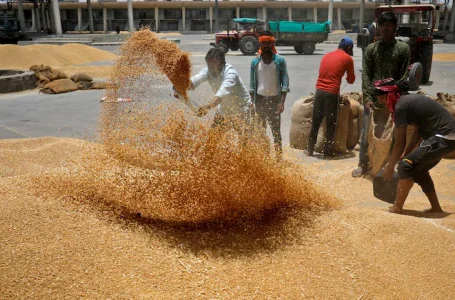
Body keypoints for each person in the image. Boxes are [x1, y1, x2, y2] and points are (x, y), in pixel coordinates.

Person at [373, 78, 455, 214]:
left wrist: (390, 167)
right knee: (417, 168)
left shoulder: (401, 106)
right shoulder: (406, 102)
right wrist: (407, 153)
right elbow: (418, 131)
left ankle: (397, 207)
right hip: (446, 136)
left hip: (445, 136)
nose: (380, 101)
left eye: (382, 97)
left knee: (406, 165)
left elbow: (399, 142)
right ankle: (436, 208)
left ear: (391, 94)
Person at [352, 11, 411, 177]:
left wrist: (394, 99)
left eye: (389, 25)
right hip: (373, 102)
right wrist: (368, 98)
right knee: (366, 135)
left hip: (394, 102)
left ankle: (387, 167)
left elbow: (403, 77)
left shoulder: (402, 49)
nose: (385, 28)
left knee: (392, 137)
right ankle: (363, 165)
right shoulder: (371, 49)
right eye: (382, 25)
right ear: (378, 27)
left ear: (394, 27)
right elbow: (366, 75)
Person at [178, 47, 251, 133]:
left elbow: (221, 95)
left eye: (214, 63)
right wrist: (180, 84)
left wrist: (207, 107)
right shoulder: (207, 71)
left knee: (244, 142)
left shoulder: (231, 74)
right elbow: (193, 82)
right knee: (212, 138)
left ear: (222, 62)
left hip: (241, 110)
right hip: (224, 110)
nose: (211, 67)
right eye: (209, 63)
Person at [306, 37, 355, 157]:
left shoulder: (326, 55)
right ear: (348, 48)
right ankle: (327, 151)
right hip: (331, 93)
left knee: (316, 121)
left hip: (319, 91)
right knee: (331, 123)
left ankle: (309, 150)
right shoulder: (348, 58)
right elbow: (351, 80)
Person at [249, 31, 290, 158]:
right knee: (261, 132)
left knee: (276, 132)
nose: (266, 45)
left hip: (274, 100)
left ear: (273, 43)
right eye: (264, 43)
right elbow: (251, 85)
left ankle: (279, 158)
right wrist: (252, 103)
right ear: (260, 43)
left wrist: (281, 102)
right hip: (259, 100)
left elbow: (285, 82)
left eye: (269, 43)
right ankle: (264, 158)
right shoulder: (255, 62)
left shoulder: (280, 61)